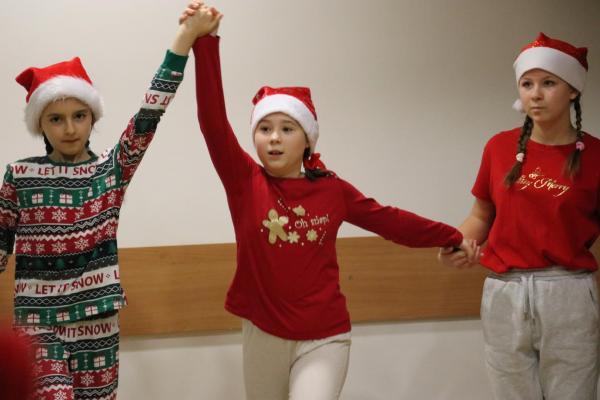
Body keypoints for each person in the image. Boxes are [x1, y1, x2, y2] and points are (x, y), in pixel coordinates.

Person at [182, 3, 476, 399]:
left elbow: (389, 221)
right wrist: (206, 42)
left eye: (287, 128)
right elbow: (212, 121)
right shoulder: (244, 181)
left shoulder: (332, 190)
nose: (274, 137)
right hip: (263, 333)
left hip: (324, 338)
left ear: (307, 140)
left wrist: (451, 236)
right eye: (264, 128)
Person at [0, 5, 220, 399]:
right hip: (38, 321)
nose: (69, 128)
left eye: (79, 115)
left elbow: (150, 112)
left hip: (98, 320)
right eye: (56, 119)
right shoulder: (20, 176)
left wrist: (185, 38)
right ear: (41, 124)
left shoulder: (111, 169)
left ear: (92, 118)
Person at [439, 33, 599, 400]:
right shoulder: (499, 147)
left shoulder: (595, 156)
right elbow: (481, 214)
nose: (536, 94)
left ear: (573, 90)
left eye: (549, 83)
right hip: (504, 291)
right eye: (527, 84)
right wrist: (457, 244)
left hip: (569, 292)